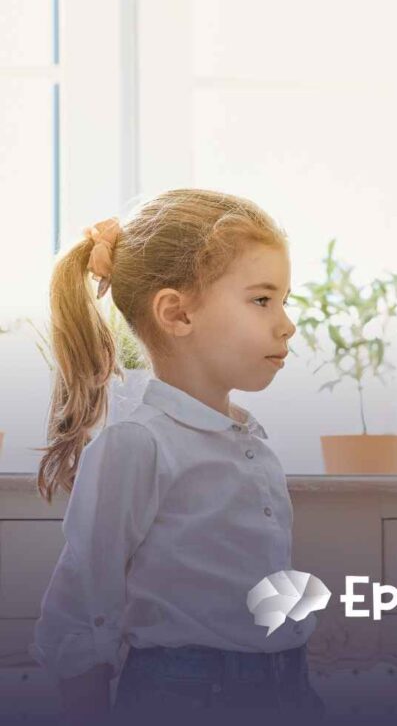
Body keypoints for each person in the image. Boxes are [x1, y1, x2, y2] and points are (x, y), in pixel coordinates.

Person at [30, 189, 325, 725]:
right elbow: (78, 609)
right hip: (190, 696)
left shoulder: (253, 444)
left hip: (286, 687)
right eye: (262, 300)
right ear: (177, 313)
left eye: (284, 301)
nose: (287, 324)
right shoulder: (138, 444)